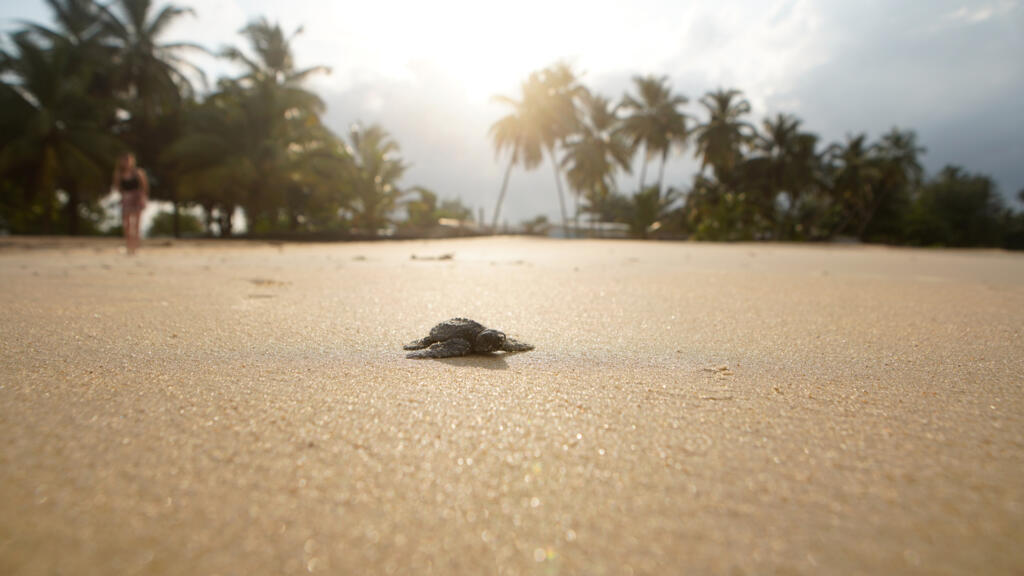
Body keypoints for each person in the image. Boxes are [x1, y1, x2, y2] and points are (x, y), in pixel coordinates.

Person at [112, 153, 149, 255]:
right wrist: (124, 196)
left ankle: (135, 248)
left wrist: (143, 198)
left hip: (137, 198)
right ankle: (129, 246)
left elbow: (144, 186)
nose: (127, 162)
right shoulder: (119, 174)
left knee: (137, 224)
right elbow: (118, 187)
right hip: (126, 199)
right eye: (125, 160)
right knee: (127, 225)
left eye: (128, 160)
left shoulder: (138, 172)